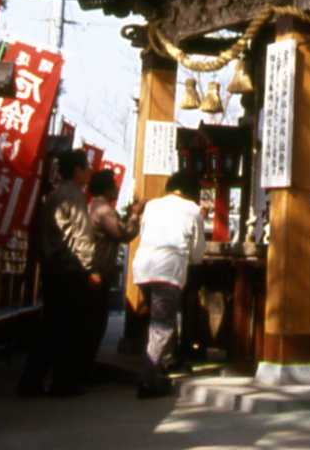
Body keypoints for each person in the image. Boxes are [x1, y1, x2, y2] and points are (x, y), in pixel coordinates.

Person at [18, 148, 99, 397]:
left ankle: (34, 379)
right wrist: (90, 268)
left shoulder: (56, 195)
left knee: (53, 325)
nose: (89, 171)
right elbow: (82, 236)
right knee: (68, 327)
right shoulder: (73, 196)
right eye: (86, 166)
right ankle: (63, 382)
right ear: (76, 170)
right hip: (70, 270)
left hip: (54, 267)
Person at [132, 170, 206, 398]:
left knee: (158, 321)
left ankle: (162, 365)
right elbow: (197, 252)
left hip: (144, 268)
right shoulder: (193, 210)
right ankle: (148, 377)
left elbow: (144, 234)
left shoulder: (152, 206)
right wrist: (192, 259)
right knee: (162, 325)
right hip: (168, 270)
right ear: (189, 190)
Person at [86, 169, 143, 375]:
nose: (117, 188)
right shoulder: (104, 210)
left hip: (93, 269)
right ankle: (85, 367)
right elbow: (124, 233)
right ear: (107, 188)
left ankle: (84, 365)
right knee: (95, 321)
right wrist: (135, 214)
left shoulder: (93, 205)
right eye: (114, 185)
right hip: (98, 270)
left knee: (93, 320)